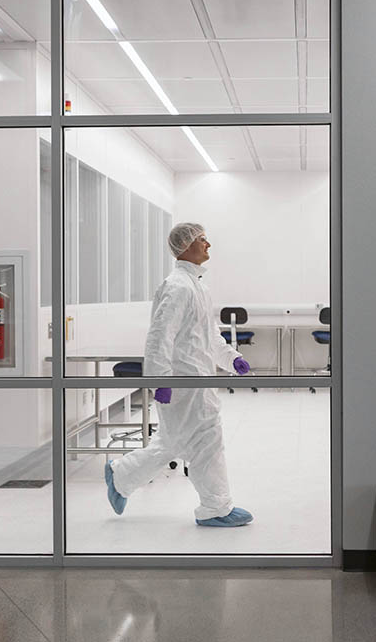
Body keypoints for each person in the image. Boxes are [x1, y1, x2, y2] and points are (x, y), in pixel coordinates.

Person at [104, 222, 254, 527]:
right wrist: (161, 380)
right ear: (186, 246)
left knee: (177, 441)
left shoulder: (197, 285)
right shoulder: (177, 287)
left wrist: (231, 357)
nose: (208, 244)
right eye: (202, 240)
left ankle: (121, 476)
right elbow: (160, 336)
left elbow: (208, 335)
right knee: (204, 440)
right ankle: (215, 508)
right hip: (183, 382)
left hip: (198, 379)